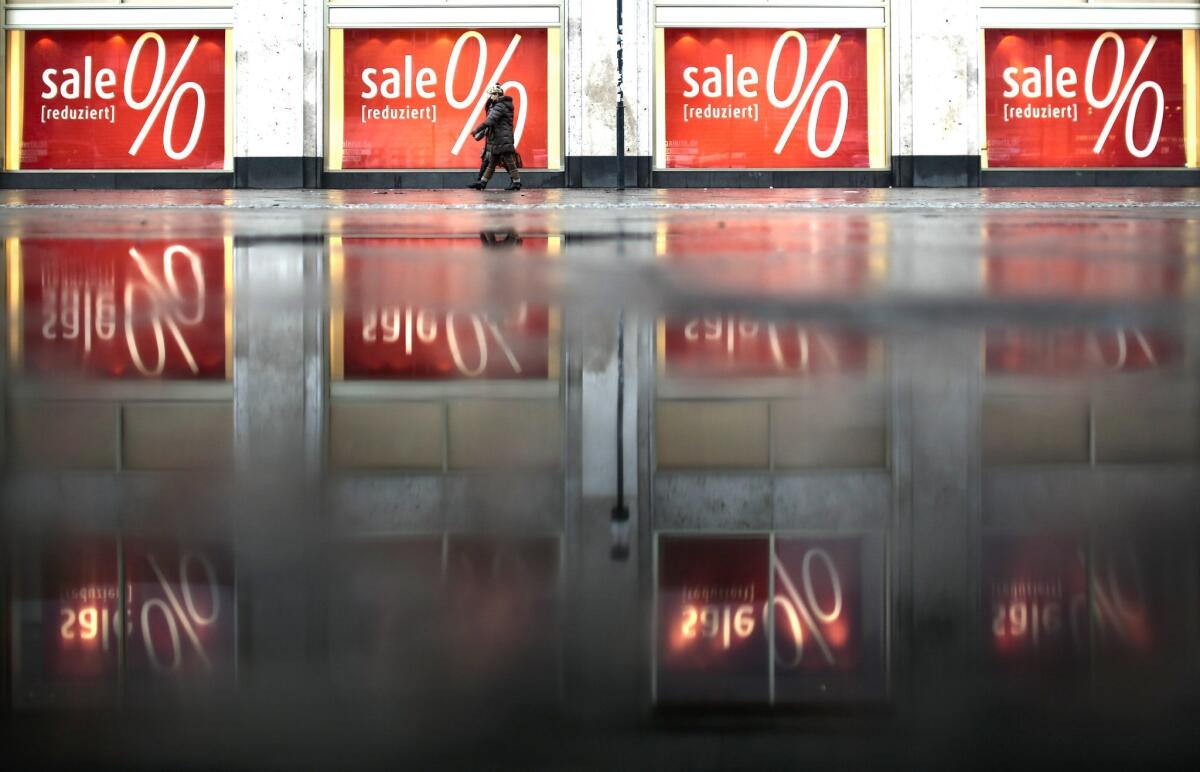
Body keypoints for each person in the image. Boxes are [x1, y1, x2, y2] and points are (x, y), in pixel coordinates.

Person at [469, 84, 522, 191]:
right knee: (493, 162)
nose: (491, 96)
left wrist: (476, 130)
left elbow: (490, 121)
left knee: (509, 161)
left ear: (498, 94)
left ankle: (517, 182)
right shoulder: (499, 105)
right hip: (499, 138)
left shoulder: (500, 106)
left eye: (493, 94)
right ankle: (483, 183)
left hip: (502, 138)